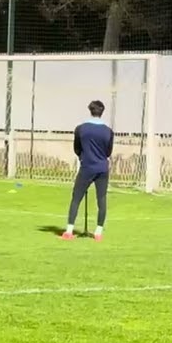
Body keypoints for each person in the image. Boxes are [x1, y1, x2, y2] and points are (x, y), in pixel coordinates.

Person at [63, 100, 114, 242]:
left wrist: (82, 157)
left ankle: (69, 230)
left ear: (90, 110)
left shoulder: (80, 129)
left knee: (76, 198)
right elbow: (108, 152)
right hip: (102, 168)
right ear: (102, 111)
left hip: (86, 167)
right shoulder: (109, 131)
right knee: (102, 199)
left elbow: (77, 148)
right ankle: (98, 232)